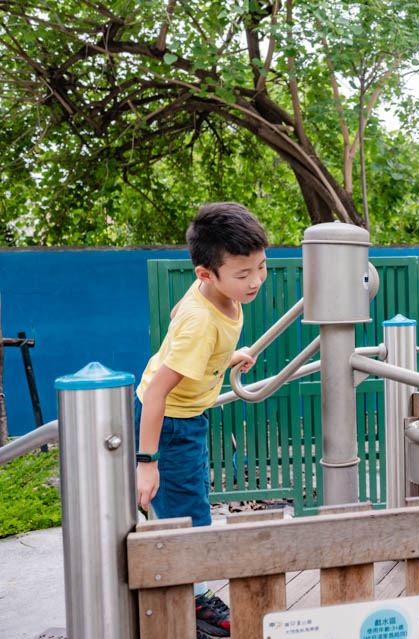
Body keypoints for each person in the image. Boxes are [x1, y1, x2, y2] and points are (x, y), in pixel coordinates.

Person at [134, 202, 268, 638]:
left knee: (189, 503)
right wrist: (147, 460)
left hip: (189, 416)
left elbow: (178, 314)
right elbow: (157, 392)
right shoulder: (200, 323)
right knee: (189, 514)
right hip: (172, 422)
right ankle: (189, 601)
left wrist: (228, 357)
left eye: (261, 268)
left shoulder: (215, 296)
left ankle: (185, 589)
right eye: (242, 274)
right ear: (205, 274)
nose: (255, 281)